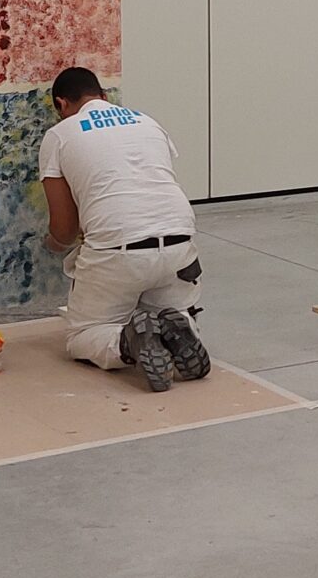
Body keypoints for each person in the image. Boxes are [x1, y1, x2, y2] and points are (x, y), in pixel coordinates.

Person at [40, 65, 210, 390]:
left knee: (82, 335)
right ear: (104, 96)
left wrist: (50, 244)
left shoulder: (59, 135)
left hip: (118, 250)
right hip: (181, 244)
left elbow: (65, 229)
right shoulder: (148, 121)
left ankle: (127, 342)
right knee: (166, 310)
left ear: (61, 104)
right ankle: (183, 326)